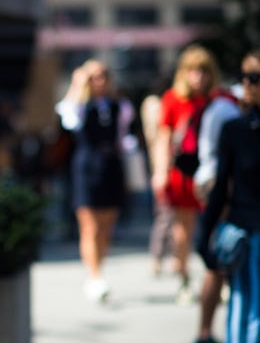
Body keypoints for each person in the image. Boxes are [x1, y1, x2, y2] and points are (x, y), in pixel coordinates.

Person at [197, 49, 260, 343]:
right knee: (247, 341)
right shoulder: (236, 128)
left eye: (256, 76)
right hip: (249, 247)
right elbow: (221, 189)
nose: (250, 84)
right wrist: (205, 243)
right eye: (247, 76)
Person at [56, 59, 134, 302]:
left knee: (107, 224)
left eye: (103, 76)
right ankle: (95, 275)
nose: (99, 81)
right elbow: (69, 120)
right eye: (94, 77)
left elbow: (124, 137)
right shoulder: (78, 105)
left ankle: (98, 268)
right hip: (86, 167)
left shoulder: (118, 106)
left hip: (111, 166)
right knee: (89, 225)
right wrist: (78, 85)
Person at [151, 45, 220, 305]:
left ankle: (216, 276)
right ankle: (184, 278)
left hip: (212, 172)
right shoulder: (172, 99)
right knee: (183, 228)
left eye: (203, 71)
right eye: (193, 71)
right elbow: (163, 137)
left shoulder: (218, 99)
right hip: (183, 173)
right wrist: (160, 171)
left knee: (215, 227)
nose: (198, 77)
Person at [188, 75, 240, 343]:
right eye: (249, 78)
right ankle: (205, 335)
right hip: (224, 195)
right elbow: (212, 160)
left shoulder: (226, 109)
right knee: (219, 264)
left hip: (227, 194)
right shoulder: (225, 110)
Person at [141, 78, 173, 277]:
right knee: (164, 216)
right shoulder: (153, 105)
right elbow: (156, 134)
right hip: (161, 167)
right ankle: (158, 257)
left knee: (168, 217)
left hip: (169, 167)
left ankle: (170, 257)